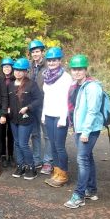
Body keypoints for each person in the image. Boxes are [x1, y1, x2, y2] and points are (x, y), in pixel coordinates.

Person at [64, 55, 104, 209]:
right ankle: (91, 190)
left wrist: (85, 132)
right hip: (80, 128)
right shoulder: (78, 85)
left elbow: (93, 111)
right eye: (74, 69)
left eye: (80, 69)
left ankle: (79, 195)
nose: (77, 72)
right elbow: (76, 109)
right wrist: (74, 127)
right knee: (88, 158)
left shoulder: (92, 87)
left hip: (89, 129)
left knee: (82, 160)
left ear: (86, 70)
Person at [41, 47, 72, 188]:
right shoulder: (46, 76)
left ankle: (63, 174)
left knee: (59, 146)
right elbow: (46, 97)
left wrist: (63, 118)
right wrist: (43, 115)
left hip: (60, 117)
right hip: (48, 115)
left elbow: (67, 100)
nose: (52, 62)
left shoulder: (66, 77)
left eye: (55, 60)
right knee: (52, 145)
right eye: (50, 60)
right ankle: (56, 172)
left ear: (60, 60)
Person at [9, 58, 42, 180]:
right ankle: (20, 166)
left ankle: (31, 167)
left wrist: (28, 107)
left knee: (23, 144)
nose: (18, 72)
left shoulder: (31, 84)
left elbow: (38, 100)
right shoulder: (11, 84)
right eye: (16, 70)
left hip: (26, 119)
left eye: (21, 70)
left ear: (25, 71)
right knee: (17, 143)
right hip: (14, 119)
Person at [28, 39, 53, 174]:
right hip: (32, 105)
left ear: (42, 52)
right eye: (33, 52)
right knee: (34, 134)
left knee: (47, 135)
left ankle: (48, 161)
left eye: (37, 51)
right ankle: (36, 159)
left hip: (44, 105)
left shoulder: (48, 66)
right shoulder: (29, 67)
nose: (35, 54)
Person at [0, 57, 15, 168]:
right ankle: (3, 155)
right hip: (1, 110)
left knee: (11, 134)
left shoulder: (15, 79)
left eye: (8, 67)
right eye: (5, 67)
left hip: (13, 110)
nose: (6, 69)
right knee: (1, 134)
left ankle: (11, 155)